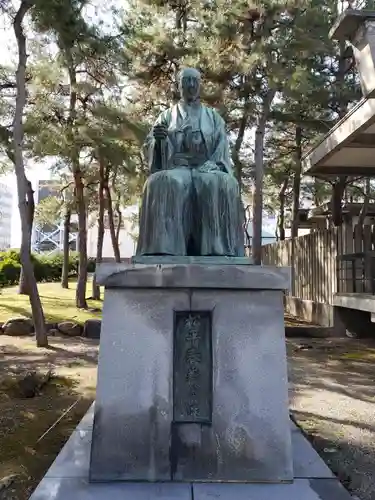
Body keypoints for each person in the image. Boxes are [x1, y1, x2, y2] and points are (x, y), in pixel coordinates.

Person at [136, 67, 244, 257]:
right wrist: (159, 140)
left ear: (200, 85)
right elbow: (151, 144)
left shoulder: (213, 118)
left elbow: (221, 150)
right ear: (179, 86)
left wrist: (214, 164)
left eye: (195, 81)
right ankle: (165, 249)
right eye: (186, 81)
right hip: (178, 167)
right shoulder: (166, 116)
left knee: (220, 183)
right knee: (161, 182)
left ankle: (217, 250)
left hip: (207, 166)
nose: (191, 85)